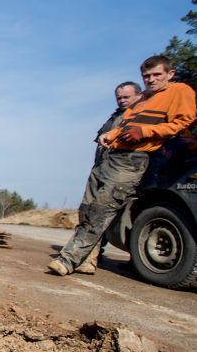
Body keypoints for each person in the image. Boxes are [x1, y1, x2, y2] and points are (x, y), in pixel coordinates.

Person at [48, 56, 196, 276]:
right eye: (147, 76)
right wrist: (111, 134)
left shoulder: (179, 92)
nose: (151, 80)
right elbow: (126, 125)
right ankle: (86, 259)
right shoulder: (144, 99)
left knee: (102, 209)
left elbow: (183, 121)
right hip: (110, 157)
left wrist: (145, 132)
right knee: (87, 208)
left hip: (133, 159)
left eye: (157, 75)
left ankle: (69, 259)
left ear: (170, 74)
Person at [75, 81, 143, 274]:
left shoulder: (142, 118)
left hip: (123, 172)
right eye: (119, 97)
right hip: (101, 168)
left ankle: (89, 258)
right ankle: (86, 255)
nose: (122, 100)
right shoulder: (115, 117)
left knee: (108, 214)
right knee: (87, 210)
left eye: (126, 97)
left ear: (138, 96)